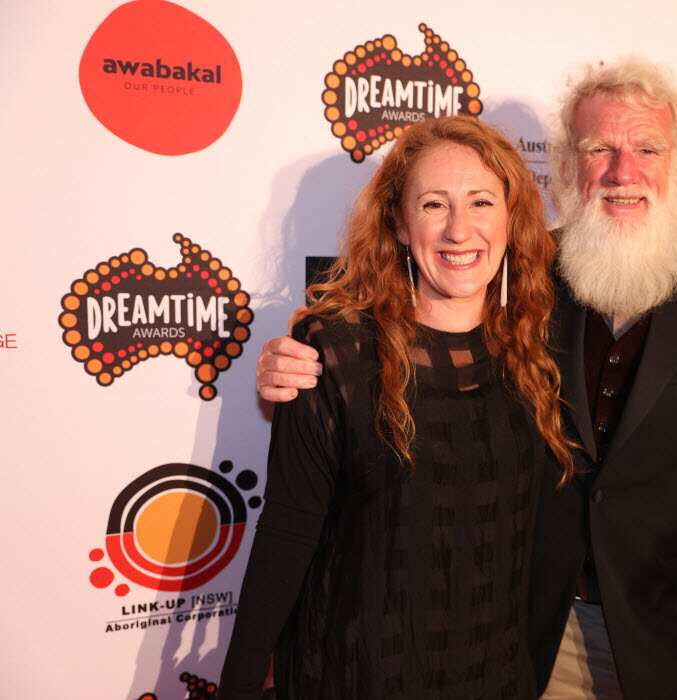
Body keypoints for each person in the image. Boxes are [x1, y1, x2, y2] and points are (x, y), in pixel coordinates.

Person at [256, 58, 677, 700]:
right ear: (567, 165)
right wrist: (300, 352)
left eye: (648, 148)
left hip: (667, 638)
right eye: (600, 149)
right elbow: (407, 305)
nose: (625, 172)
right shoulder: (523, 270)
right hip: (520, 633)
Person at [219, 115, 577, 699]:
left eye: (482, 201)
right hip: (357, 676)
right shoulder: (333, 355)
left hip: (495, 679)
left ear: (512, 220)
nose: (460, 230)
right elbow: (287, 530)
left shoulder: (536, 348)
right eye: (434, 205)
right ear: (400, 225)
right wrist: (238, 683)